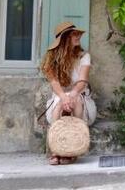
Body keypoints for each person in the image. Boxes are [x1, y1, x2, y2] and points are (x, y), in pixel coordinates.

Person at [40, 21, 93, 165]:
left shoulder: (84, 56)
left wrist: (72, 95)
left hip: (80, 100)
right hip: (59, 99)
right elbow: (54, 83)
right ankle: (57, 149)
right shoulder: (51, 59)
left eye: (78, 34)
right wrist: (64, 97)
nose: (78, 37)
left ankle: (73, 148)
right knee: (59, 102)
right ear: (64, 39)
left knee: (74, 100)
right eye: (74, 34)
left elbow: (82, 81)